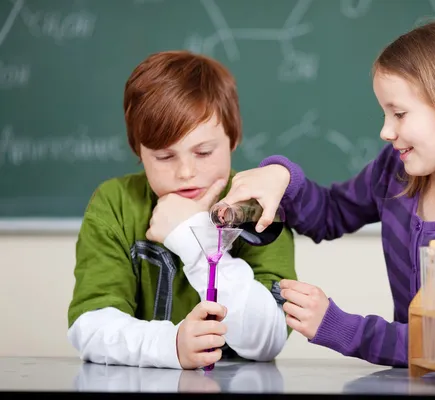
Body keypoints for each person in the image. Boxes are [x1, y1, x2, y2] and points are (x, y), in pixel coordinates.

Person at [221, 19, 435, 365]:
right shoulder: (397, 171)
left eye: (399, 114)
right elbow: (329, 214)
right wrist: (283, 177)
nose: (386, 131)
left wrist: (338, 326)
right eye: (384, 113)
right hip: (422, 373)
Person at [67, 50, 297, 369]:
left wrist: (192, 237)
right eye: (164, 157)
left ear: (233, 138)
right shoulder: (114, 203)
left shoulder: (259, 205)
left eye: (203, 152)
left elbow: (268, 339)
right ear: (138, 149)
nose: (186, 172)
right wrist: (172, 346)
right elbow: (89, 327)